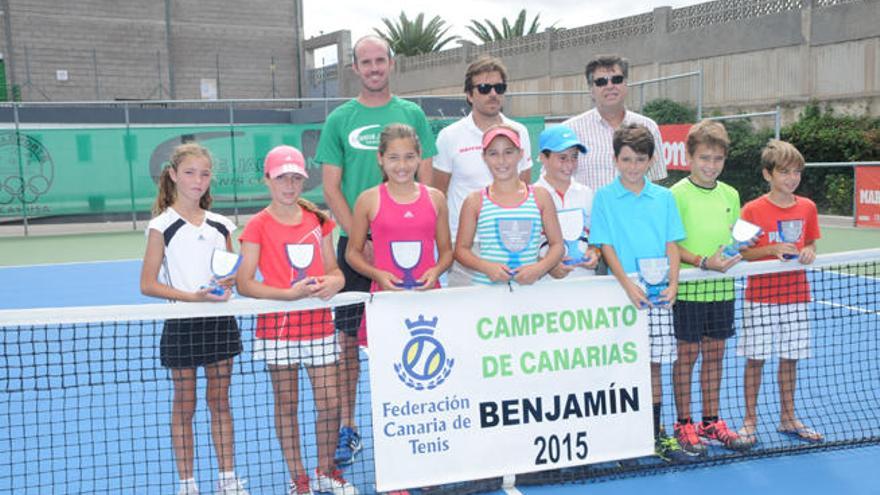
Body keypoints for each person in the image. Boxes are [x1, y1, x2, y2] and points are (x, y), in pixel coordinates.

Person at [315, 35, 437, 465]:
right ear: (355, 68)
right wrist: (360, 236)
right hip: (356, 247)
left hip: (410, 249)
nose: (373, 67)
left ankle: (412, 423)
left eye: (379, 60)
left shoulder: (412, 114)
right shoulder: (339, 119)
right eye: (364, 61)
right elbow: (331, 186)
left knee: (412, 336)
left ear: (391, 63)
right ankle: (348, 426)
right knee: (348, 342)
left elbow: (426, 180)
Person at [236, 145, 357, 495]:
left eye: (295, 178)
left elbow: (335, 273)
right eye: (281, 178)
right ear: (267, 180)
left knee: (330, 403)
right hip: (278, 331)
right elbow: (245, 283)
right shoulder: (257, 225)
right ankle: (299, 477)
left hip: (318, 327)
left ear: (303, 180)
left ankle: (324, 469)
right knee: (287, 404)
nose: (288, 186)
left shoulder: (319, 222)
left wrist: (331, 283)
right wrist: (288, 295)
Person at [139, 143, 248, 495]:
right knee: (184, 404)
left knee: (220, 401)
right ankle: (187, 484)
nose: (197, 180)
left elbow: (229, 272)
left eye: (204, 173)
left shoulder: (221, 224)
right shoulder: (161, 226)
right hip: (182, 323)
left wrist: (228, 285)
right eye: (189, 173)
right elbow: (148, 284)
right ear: (172, 175)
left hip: (219, 322)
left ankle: (227, 480)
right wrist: (192, 298)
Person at [589, 123, 687, 462]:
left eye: (640, 160)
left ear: (650, 161)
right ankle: (623, 439)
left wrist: (673, 283)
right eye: (626, 159)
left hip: (659, 290)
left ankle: (656, 435)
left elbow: (671, 243)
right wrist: (627, 285)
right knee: (621, 366)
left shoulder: (664, 197)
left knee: (654, 365)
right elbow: (606, 246)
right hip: (622, 289)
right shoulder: (603, 197)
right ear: (615, 159)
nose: (633, 166)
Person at [669, 120, 753, 455]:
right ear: (689, 156)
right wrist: (703, 262)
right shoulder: (675, 195)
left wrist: (737, 250)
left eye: (717, 159)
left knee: (715, 357)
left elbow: (736, 239)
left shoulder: (731, 194)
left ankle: (710, 420)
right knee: (686, 357)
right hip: (688, 293)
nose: (711, 166)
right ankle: (684, 423)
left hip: (722, 290)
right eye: (704, 157)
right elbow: (671, 245)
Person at [737, 139, 823, 445]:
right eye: (784, 171)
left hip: (796, 297)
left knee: (790, 359)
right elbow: (743, 254)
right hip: (760, 299)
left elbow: (810, 241)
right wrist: (772, 249)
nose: (791, 177)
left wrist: (809, 251)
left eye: (796, 171)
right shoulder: (752, 210)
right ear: (767, 174)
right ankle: (750, 420)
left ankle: (788, 417)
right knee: (755, 360)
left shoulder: (808, 207)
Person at [433, 55, 533, 286]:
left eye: (499, 87)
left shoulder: (520, 132)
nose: (493, 94)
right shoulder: (450, 136)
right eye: (484, 88)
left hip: (513, 242)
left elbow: (525, 188)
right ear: (469, 95)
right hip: (467, 249)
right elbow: (439, 195)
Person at [346, 124, 453, 299]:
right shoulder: (367, 200)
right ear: (380, 158)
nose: (402, 165)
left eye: (409, 157)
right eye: (393, 158)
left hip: (428, 297)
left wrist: (435, 271)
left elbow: (447, 252)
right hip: (384, 298)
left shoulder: (436, 198)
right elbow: (352, 253)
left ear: (419, 156)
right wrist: (377, 275)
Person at [454, 124, 563, 286]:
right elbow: (461, 250)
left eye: (508, 152)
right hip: (486, 293)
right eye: (493, 153)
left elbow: (557, 244)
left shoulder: (541, 196)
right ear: (484, 157)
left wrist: (539, 269)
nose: (501, 161)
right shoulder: (474, 201)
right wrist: (487, 267)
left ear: (521, 154)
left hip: (529, 292)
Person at [563, 54, 666, 192]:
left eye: (616, 79)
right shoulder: (570, 131)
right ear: (591, 90)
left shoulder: (649, 128)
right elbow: (554, 180)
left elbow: (656, 180)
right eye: (601, 82)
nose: (610, 86)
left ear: (626, 84)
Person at [532, 125, 600, 279]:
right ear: (543, 158)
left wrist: (594, 252)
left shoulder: (587, 194)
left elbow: (595, 240)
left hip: (585, 284)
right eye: (562, 158)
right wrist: (547, 266)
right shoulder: (530, 197)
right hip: (544, 288)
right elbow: (525, 250)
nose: (569, 165)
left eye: (574, 157)